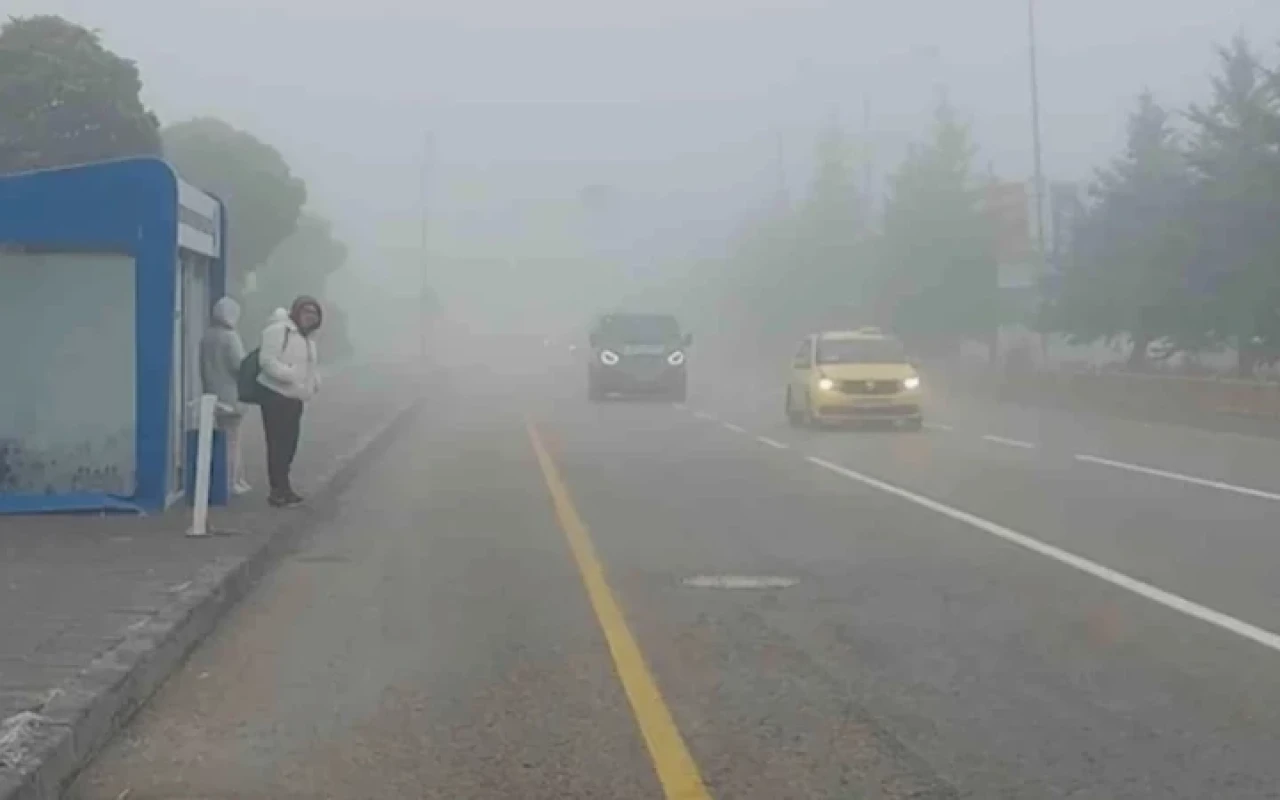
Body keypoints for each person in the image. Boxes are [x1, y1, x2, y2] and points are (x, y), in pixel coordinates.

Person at [257, 295, 322, 507]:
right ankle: (277, 490)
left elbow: (309, 365)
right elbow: (267, 361)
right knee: (277, 445)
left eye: (314, 313)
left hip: (296, 397)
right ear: (296, 312)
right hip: (276, 396)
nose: (310, 317)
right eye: (306, 312)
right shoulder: (278, 330)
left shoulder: (307, 338)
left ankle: (285, 487)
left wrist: (314, 382)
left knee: (290, 445)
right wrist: (290, 374)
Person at [199, 297, 251, 496]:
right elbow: (240, 365)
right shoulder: (230, 337)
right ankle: (232, 481)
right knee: (233, 441)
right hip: (233, 396)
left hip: (212, 394)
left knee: (222, 439)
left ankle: (232, 479)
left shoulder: (207, 337)